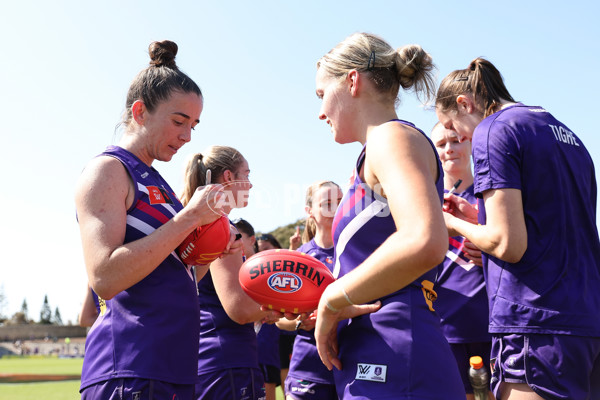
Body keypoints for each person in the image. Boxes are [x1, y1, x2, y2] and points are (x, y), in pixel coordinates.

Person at [436, 58, 600, 400]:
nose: (461, 138)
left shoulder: (493, 128)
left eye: (455, 128)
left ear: (465, 104)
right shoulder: (567, 133)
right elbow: (549, 224)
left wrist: (449, 222)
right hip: (587, 321)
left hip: (535, 322)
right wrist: (475, 216)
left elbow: (506, 242)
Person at [312, 32, 465, 399]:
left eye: (322, 95)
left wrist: (333, 300)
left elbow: (424, 240)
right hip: (376, 350)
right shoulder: (375, 149)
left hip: (396, 354)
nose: (320, 111)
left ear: (352, 81)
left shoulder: (391, 138)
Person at [74, 40, 228, 399]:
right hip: (129, 368)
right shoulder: (108, 170)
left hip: (173, 366)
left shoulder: (162, 186)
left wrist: (211, 245)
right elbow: (105, 277)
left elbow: (176, 275)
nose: (187, 136)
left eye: (194, 125)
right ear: (140, 112)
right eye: (178, 121)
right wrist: (188, 218)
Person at [180, 146, 268, 400]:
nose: (250, 185)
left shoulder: (195, 221)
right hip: (226, 359)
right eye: (247, 175)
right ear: (229, 177)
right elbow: (238, 308)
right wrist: (285, 305)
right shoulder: (219, 228)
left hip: (207, 358)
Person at [430, 123, 493, 400]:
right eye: (441, 145)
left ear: (470, 143)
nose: (449, 149)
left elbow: (516, 246)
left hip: (489, 322)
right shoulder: (423, 201)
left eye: (456, 140)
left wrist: (491, 254)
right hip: (442, 326)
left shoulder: (493, 195)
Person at [278, 180, 342, 400]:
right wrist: (299, 322)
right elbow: (278, 318)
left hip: (353, 364)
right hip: (308, 368)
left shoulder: (358, 251)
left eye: (341, 202)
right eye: (327, 203)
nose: (335, 208)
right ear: (310, 211)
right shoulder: (299, 258)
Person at [235, 218, 283, 400]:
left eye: (238, 237)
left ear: (251, 240)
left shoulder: (264, 268)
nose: (232, 242)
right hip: (231, 353)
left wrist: (273, 310)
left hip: (264, 346)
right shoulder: (223, 263)